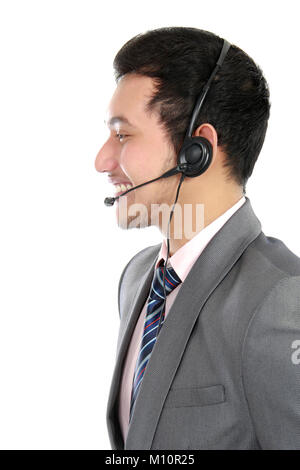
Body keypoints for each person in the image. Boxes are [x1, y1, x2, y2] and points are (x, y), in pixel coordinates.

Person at [95, 27, 300, 450]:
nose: (102, 160)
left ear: (197, 149)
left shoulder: (282, 302)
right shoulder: (138, 278)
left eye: (122, 135)